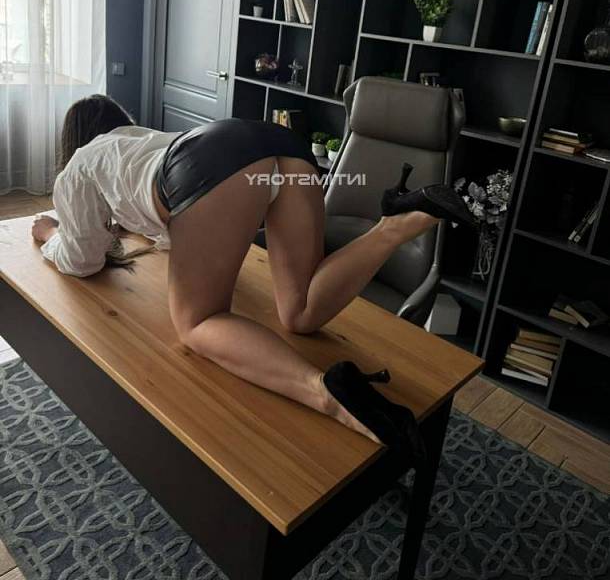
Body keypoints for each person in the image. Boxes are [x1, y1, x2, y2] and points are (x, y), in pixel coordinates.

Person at [32, 94, 472, 451]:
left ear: (74, 139)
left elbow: (83, 260)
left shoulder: (79, 166)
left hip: (214, 164)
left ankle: (328, 393)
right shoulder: (139, 138)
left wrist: (50, 233)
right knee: (300, 312)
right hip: (279, 145)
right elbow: (177, 225)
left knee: (197, 323)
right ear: (119, 120)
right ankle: (394, 224)